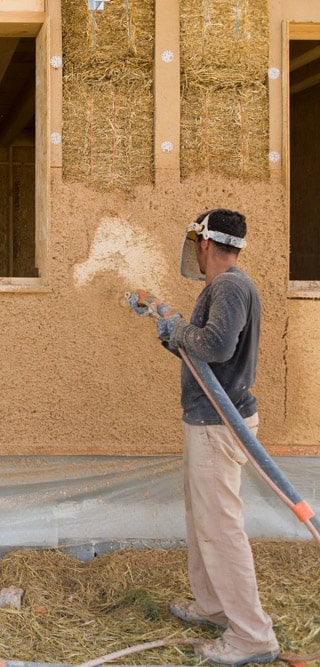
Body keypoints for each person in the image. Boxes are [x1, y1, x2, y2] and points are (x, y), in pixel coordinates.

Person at [130, 209, 279, 667]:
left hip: (220, 422)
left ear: (206, 244)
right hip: (209, 420)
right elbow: (203, 343)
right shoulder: (224, 288)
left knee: (220, 530)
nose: (195, 250)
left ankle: (252, 636)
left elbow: (215, 347)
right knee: (204, 523)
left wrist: (175, 328)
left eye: (197, 243)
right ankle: (214, 606)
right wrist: (169, 326)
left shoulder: (231, 285)